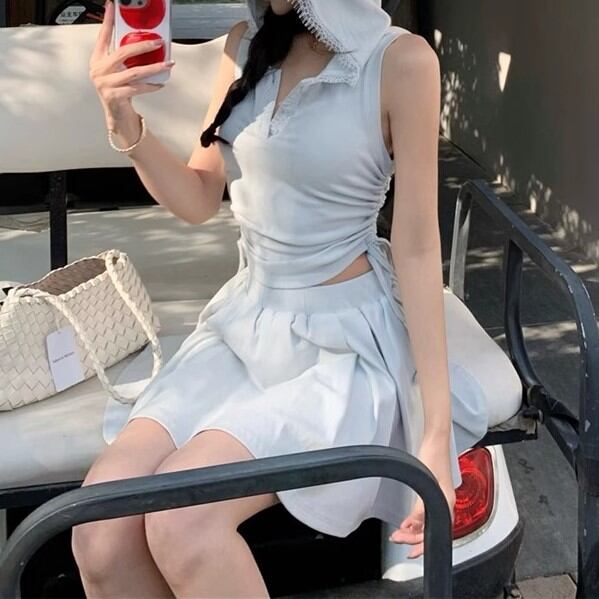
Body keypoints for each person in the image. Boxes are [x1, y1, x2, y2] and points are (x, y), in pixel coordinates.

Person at [73, 0, 489, 596]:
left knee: (183, 521)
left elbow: (418, 247)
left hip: (343, 346)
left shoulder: (400, 61)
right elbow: (199, 196)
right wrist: (124, 122)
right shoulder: (245, 42)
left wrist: (435, 432)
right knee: (100, 531)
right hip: (245, 325)